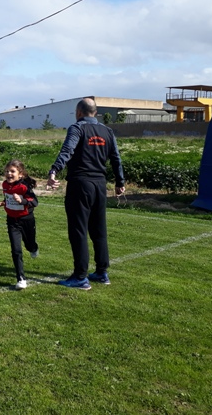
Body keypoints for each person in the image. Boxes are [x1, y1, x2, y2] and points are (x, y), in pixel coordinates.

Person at [47, 97, 125, 290]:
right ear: (96, 113)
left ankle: (80, 276)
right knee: (99, 231)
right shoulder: (107, 131)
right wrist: (120, 181)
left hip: (81, 184)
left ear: (79, 112)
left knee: (78, 230)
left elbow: (68, 150)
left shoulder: (77, 128)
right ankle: (101, 271)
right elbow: (116, 158)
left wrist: (54, 170)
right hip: (100, 185)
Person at [0, 159, 39, 290]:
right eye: (7, 171)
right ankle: (21, 278)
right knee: (16, 250)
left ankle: (33, 248)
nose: (8, 173)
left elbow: (34, 202)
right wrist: (5, 202)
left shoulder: (24, 186)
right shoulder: (5, 184)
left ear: (20, 174)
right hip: (12, 221)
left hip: (26, 220)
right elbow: (8, 197)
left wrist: (22, 200)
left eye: (12, 171)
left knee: (29, 245)